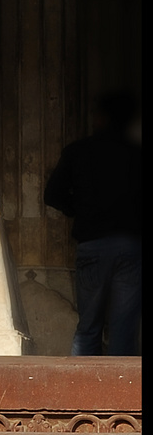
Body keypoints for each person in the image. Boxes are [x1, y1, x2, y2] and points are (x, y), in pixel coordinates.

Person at [44, 91, 142, 355]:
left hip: (93, 244)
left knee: (89, 326)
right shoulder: (135, 155)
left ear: (100, 118)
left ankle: (81, 390)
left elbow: (52, 194)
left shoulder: (78, 152)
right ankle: (121, 393)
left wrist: (79, 210)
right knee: (124, 328)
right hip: (130, 246)